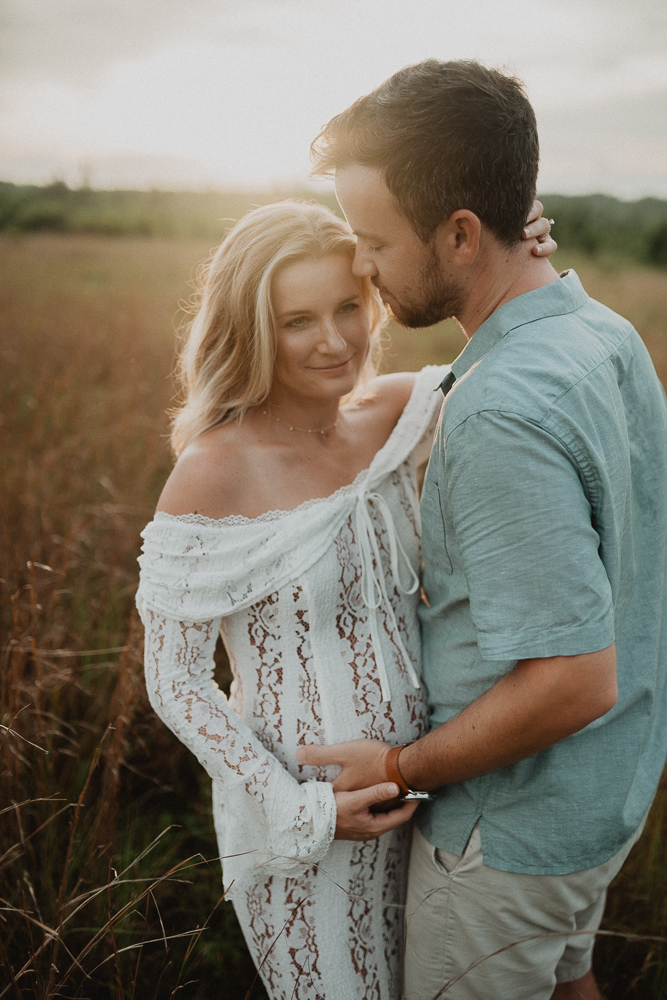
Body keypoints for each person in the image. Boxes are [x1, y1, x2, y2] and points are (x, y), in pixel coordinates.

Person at [299, 59, 667, 1000]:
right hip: (602, 791)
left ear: (462, 233)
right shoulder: (599, 332)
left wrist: (397, 765)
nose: (363, 269)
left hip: (506, 834)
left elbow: (571, 681)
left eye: (374, 242)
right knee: (563, 981)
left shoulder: (502, 410)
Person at [136, 198, 554, 1000]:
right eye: (297, 320)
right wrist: (298, 811)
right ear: (251, 330)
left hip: (428, 793)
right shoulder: (214, 468)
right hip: (308, 824)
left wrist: (515, 250)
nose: (333, 341)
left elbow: (512, 366)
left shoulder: (393, 414)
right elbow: (176, 680)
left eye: (346, 308)